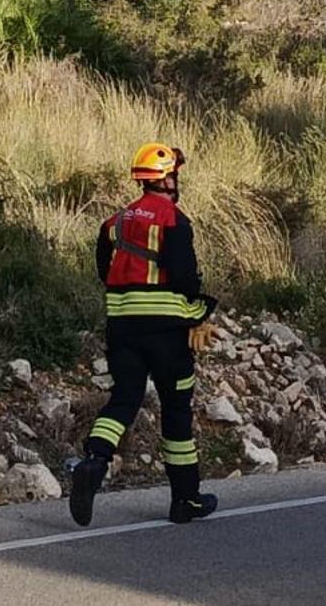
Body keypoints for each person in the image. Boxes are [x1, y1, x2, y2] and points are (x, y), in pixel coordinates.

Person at [68, 142, 219, 527]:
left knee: (124, 399)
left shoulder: (116, 221)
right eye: (175, 175)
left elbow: (104, 269)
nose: (176, 180)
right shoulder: (173, 219)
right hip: (167, 332)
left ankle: (94, 462)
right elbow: (184, 277)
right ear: (166, 179)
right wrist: (199, 313)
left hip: (122, 327)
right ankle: (185, 499)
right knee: (176, 409)